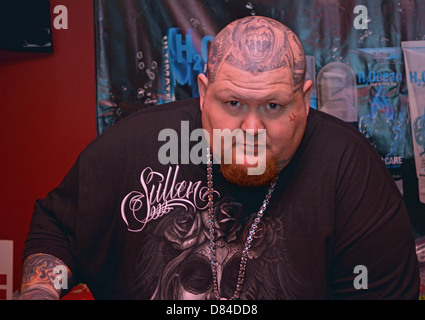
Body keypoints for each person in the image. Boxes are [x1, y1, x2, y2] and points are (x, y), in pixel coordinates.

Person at [16, 16, 419, 300]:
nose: (250, 130)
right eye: (232, 103)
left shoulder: (349, 167)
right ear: (204, 93)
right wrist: (40, 288)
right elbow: (59, 231)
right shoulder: (134, 145)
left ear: (305, 99)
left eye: (274, 107)